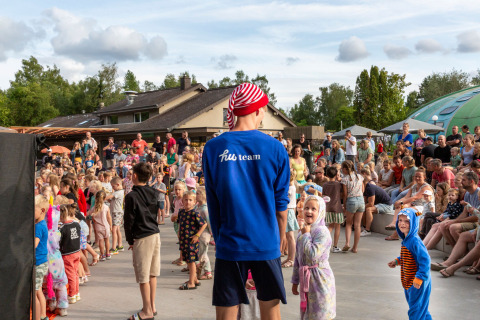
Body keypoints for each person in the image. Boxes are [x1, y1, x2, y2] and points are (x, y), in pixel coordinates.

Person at [202, 83, 289, 319]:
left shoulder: (212, 148)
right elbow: (281, 205)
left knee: (226, 313)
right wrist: (279, 238)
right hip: (265, 242)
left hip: (230, 243)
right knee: (271, 312)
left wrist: (220, 240)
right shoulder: (275, 148)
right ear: (259, 110)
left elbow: (213, 202)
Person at [124, 163, 161, 320]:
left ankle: (146, 311)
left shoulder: (131, 196)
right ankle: (151, 306)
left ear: (135, 176)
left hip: (142, 236)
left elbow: (128, 221)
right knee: (152, 274)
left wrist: (130, 240)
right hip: (155, 234)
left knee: (143, 276)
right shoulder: (153, 192)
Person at [291, 195, 336, 320]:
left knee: (321, 313)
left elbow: (313, 254)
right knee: (308, 314)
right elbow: (298, 258)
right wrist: (295, 281)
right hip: (307, 279)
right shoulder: (302, 231)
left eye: (313, 209)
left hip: (320, 279)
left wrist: (306, 235)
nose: (309, 211)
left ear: (321, 211)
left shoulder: (322, 232)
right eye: (306, 208)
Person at [388, 208, 432, 320]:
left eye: (406, 221)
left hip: (417, 281)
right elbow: (409, 256)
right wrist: (397, 261)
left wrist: (419, 278)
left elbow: (425, 260)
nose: (402, 223)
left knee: (415, 310)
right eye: (400, 220)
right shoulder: (406, 239)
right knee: (420, 308)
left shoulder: (415, 241)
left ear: (413, 222)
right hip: (409, 281)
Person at [177, 191, 207, 290]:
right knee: (187, 260)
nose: (188, 202)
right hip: (183, 240)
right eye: (186, 200)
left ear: (194, 202)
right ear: (182, 200)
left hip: (191, 242)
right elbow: (180, 223)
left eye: (190, 200)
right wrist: (178, 233)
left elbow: (204, 224)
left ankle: (191, 283)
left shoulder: (194, 213)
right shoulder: (181, 212)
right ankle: (194, 279)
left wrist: (197, 235)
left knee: (191, 261)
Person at [59, 203, 82, 304]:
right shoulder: (76, 224)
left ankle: (72, 294)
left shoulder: (63, 228)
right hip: (77, 251)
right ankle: (76, 292)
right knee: (75, 273)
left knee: (70, 274)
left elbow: (59, 242)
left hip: (67, 253)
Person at [361, 168, 393, 236]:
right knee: (363, 208)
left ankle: (367, 230)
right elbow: (364, 202)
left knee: (368, 209)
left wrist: (361, 207)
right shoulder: (365, 188)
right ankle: (363, 227)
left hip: (387, 205)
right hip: (380, 204)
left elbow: (371, 203)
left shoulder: (369, 187)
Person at [341, 160, 364, 253]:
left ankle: (347, 243)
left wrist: (345, 205)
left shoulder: (345, 179)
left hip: (351, 200)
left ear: (346, 169)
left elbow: (345, 194)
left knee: (349, 224)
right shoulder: (360, 177)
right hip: (361, 200)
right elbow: (363, 189)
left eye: (342, 168)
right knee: (357, 225)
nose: (342, 170)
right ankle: (355, 247)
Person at [34, 195, 49, 320]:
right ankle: (43, 315)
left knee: (34, 293)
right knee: (38, 290)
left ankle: (37, 317)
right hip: (42, 261)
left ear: (42, 210)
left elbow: (34, 244)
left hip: (38, 262)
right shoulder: (42, 223)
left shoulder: (38, 226)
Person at [282, 169, 300, 269]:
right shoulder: (291, 187)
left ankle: (291, 259)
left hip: (288, 211)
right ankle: (289, 257)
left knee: (290, 236)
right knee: (288, 236)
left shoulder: (290, 188)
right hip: (289, 211)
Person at [323, 166, 344, 253]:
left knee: (330, 226)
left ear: (327, 175)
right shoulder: (338, 185)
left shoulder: (325, 184)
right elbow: (342, 194)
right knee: (337, 226)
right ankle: (335, 246)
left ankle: (324, 243)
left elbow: (323, 195)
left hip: (328, 207)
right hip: (337, 207)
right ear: (336, 174)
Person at [195, 187, 213, 280]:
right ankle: (199, 269)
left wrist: (212, 234)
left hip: (204, 235)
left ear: (203, 196)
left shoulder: (205, 209)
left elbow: (209, 222)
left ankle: (208, 272)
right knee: (200, 253)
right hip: (199, 234)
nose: (195, 195)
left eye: (198, 193)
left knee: (203, 254)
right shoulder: (198, 206)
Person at [89, 190, 112, 261]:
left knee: (101, 241)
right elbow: (109, 217)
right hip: (106, 226)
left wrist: (95, 222)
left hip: (98, 227)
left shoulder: (94, 208)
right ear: (104, 198)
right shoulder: (106, 207)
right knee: (107, 240)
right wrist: (110, 225)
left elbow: (91, 216)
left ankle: (102, 255)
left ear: (96, 198)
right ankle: (107, 253)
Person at [107, 177, 125, 254]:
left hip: (117, 212)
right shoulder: (119, 192)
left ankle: (114, 248)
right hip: (117, 212)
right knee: (117, 229)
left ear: (118, 184)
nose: (112, 188)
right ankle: (120, 245)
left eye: (113, 186)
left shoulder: (118, 192)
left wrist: (102, 197)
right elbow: (111, 199)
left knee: (114, 229)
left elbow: (109, 197)